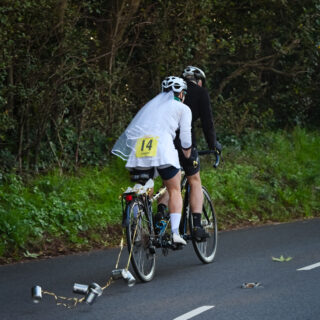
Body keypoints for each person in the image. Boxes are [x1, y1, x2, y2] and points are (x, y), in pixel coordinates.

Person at [112, 76, 196, 245]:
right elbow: (186, 139)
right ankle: (174, 234)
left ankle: (136, 223)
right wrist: (187, 155)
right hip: (163, 149)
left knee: (142, 188)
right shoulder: (182, 108)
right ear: (180, 93)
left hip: (140, 149)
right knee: (174, 189)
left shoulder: (150, 107)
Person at [158, 66, 221, 240]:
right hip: (184, 144)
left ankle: (161, 214)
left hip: (164, 143)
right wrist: (213, 144)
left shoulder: (170, 92)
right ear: (199, 81)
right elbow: (208, 124)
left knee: (170, 184)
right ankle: (197, 225)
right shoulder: (201, 92)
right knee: (194, 180)